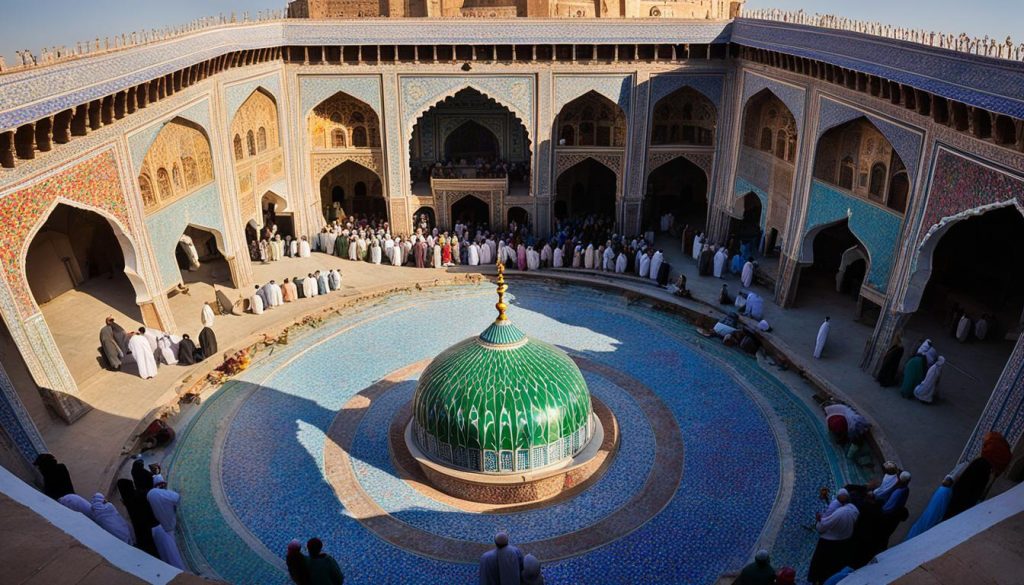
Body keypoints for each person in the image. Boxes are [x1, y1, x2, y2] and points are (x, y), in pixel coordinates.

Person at [807, 489, 859, 585]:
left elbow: (822, 527)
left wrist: (819, 520)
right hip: (844, 541)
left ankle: (817, 580)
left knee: (820, 564)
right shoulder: (854, 510)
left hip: (829, 543)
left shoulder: (840, 513)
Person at [147, 475, 186, 570]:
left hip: (157, 527)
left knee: (164, 551)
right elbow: (177, 498)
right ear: (163, 484)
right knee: (173, 554)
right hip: (167, 527)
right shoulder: (165, 494)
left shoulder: (150, 494)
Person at [905, 475, 954, 540]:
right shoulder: (948, 491)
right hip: (936, 510)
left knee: (926, 519)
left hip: (932, 509)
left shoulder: (942, 489)